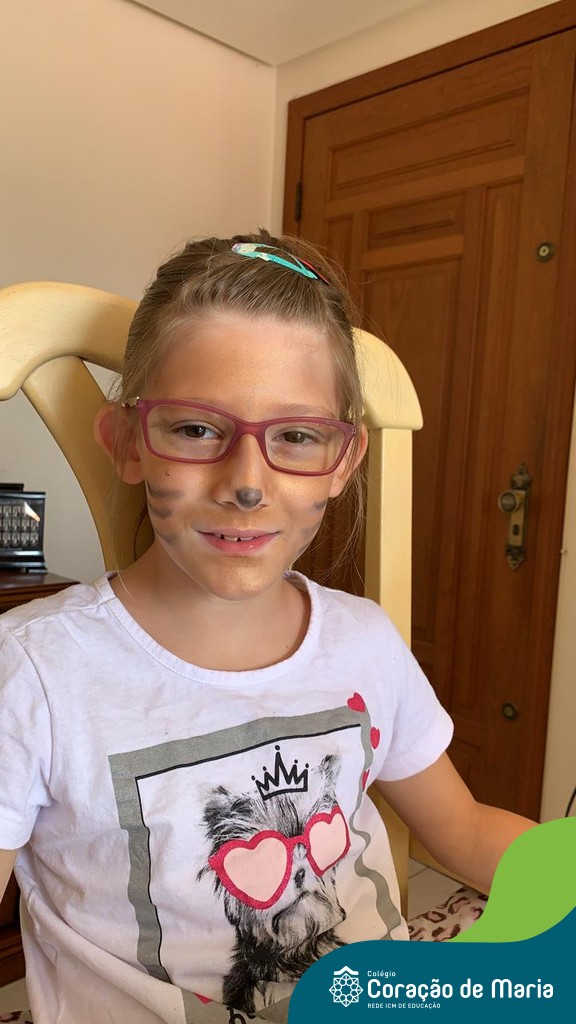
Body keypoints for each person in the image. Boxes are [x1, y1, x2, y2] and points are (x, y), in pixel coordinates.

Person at [0, 232, 535, 1024]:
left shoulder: (365, 642)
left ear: (343, 461)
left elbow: (463, 829)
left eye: (296, 436)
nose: (247, 485)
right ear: (128, 444)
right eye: (195, 430)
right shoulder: (34, 672)